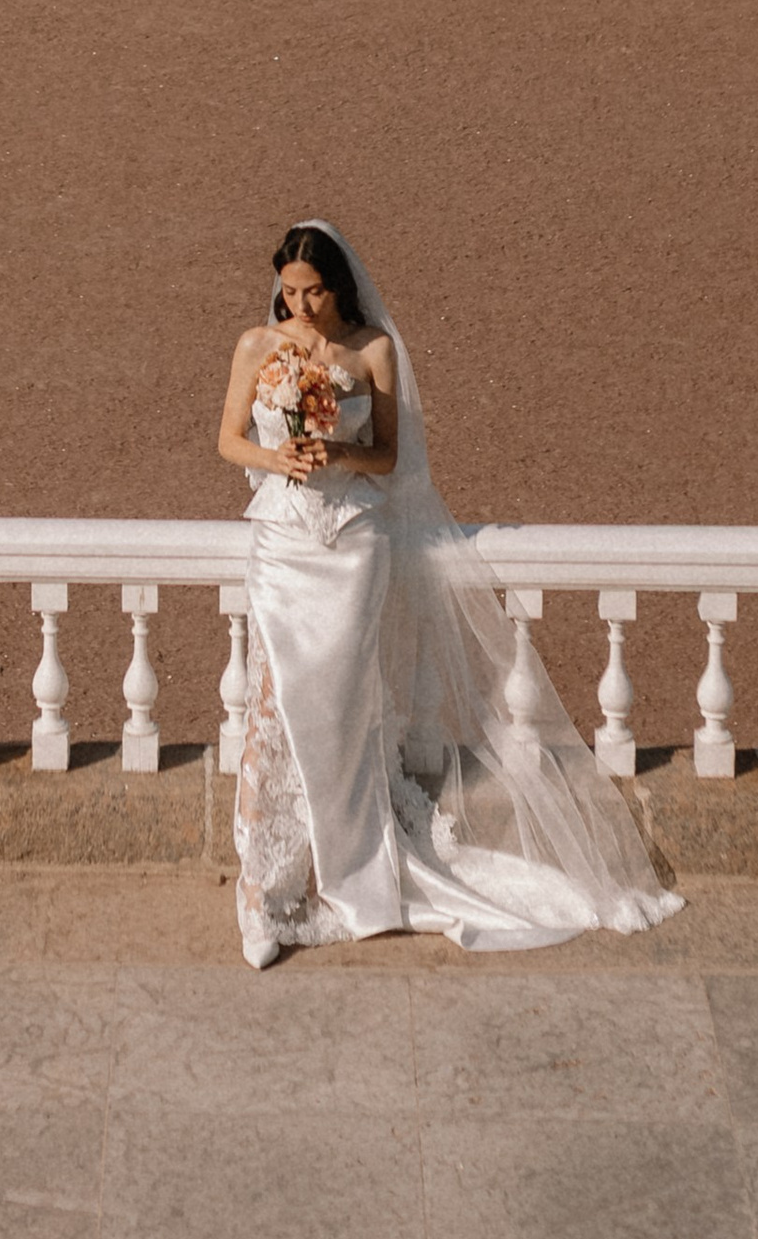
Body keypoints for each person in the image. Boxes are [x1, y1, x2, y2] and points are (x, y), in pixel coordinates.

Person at [216, 220, 679, 968]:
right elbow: (227, 439)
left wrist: (335, 450)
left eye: (312, 290)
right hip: (283, 544)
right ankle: (262, 893)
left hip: (354, 549)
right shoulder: (257, 346)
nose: (297, 304)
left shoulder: (372, 350)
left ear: (340, 285)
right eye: (289, 291)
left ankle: (349, 866)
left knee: (343, 712)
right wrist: (281, 455)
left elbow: (390, 454)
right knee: (274, 707)